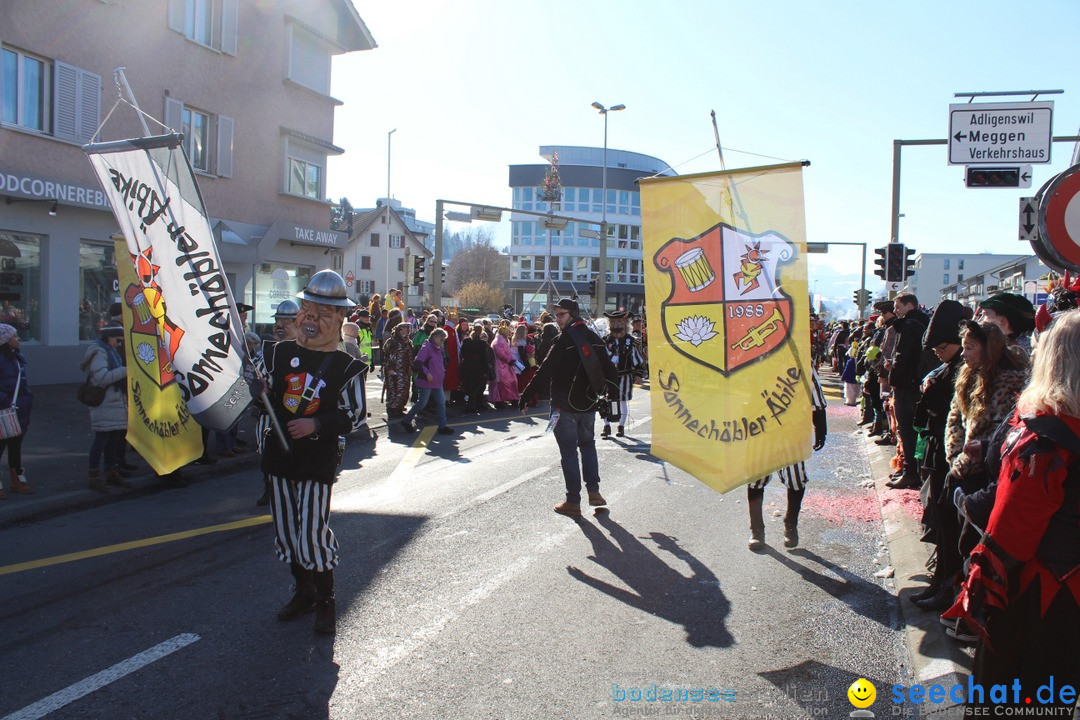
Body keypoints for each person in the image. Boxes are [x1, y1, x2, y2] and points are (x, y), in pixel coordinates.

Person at [942, 310, 1080, 714]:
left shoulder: (1046, 437)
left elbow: (1011, 531)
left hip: (1040, 594)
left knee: (1019, 696)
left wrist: (980, 578)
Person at [254, 270, 367, 635]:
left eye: (323, 312)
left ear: (339, 319)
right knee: (287, 533)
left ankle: (326, 602)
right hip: (279, 456)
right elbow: (263, 402)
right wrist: (257, 392)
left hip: (316, 459)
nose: (312, 319)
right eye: (308, 310)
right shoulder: (276, 353)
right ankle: (303, 591)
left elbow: (356, 414)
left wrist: (316, 425)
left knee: (311, 535)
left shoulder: (348, 366)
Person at [519, 298, 618, 517]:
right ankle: (594, 491)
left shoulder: (563, 340)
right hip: (588, 404)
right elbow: (611, 371)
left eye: (561, 315)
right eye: (556, 315)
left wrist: (526, 395)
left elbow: (544, 371)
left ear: (572, 314)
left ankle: (573, 501)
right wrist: (613, 397)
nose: (557, 319)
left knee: (569, 452)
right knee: (588, 446)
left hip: (563, 406)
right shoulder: (594, 338)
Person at [909, 300, 972, 606]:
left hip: (952, 456)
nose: (936, 351)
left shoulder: (963, 369)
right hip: (939, 450)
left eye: (941, 346)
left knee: (950, 524)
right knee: (942, 520)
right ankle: (942, 581)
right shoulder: (949, 366)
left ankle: (949, 584)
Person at [747, 368, 827, 550]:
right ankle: (757, 530)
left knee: (796, 479)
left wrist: (820, 424)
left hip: (791, 430)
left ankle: (791, 523)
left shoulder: (798, 357)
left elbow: (813, 387)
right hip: (759, 428)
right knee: (755, 479)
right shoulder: (752, 357)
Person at [886, 293, 933, 489]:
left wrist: (893, 374)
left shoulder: (908, 326)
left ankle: (910, 472)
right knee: (916, 431)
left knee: (906, 430)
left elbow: (902, 357)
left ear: (909, 306)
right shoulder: (924, 323)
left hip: (906, 386)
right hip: (918, 384)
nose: (895, 311)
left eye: (898, 306)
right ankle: (915, 470)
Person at [79, 322, 130, 493]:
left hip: (112, 402)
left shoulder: (109, 351)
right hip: (105, 402)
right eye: (118, 339)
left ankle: (112, 472)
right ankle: (94, 476)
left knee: (112, 440)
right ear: (109, 338)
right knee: (101, 440)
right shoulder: (100, 353)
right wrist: (126, 371)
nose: (119, 343)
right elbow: (102, 378)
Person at [401, 328, 453, 435]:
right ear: (435, 337)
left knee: (441, 403)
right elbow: (417, 363)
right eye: (441, 339)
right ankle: (406, 421)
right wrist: (427, 373)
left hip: (436, 381)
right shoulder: (427, 348)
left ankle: (442, 426)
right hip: (426, 381)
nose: (443, 342)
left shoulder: (438, 347)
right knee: (422, 403)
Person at [0, 324, 33, 496]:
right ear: (5, 340)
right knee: (1, 444)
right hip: (6, 409)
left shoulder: (15, 357)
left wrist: (27, 399)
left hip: (19, 408)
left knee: (15, 444)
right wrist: (5, 401)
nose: (18, 339)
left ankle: (16, 479)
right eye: (14, 336)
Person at [601, 310, 645, 438]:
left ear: (625, 324)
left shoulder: (631, 342)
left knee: (622, 401)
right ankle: (606, 425)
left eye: (619, 322)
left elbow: (638, 361)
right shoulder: (604, 341)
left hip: (624, 376)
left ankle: (621, 427)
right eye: (613, 322)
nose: (616, 325)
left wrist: (638, 375)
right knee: (605, 401)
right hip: (607, 377)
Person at [382, 312, 413, 419]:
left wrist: (410, 369)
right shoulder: (392, 341)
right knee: (394, 390)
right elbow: (385, 356)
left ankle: (399, 408)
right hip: (394, 370)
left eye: (407, 329)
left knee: (404, 390)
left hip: (404, 371)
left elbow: (410, 356)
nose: (405, 331)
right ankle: (392, 409)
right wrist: (389, 369)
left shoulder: (408, 342)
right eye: (402, 329)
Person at [459, 322, 491, 413]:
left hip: (467, 367)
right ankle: (475, 405)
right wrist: (485, 370)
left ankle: (471, 404)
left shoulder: (466, 341)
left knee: (469, 386)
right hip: (478, 367)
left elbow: (462, 354)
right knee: (478, 387)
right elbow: (484, 357)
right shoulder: (482, 343)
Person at [488, 321, 519, 408]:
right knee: (503, 383)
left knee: (512, 382)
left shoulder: (503, 340)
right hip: (501, 366)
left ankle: (511, 399)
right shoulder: (498, 341)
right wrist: (508, 360)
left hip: (506, 365)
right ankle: (499, 400)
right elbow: (500, 353)